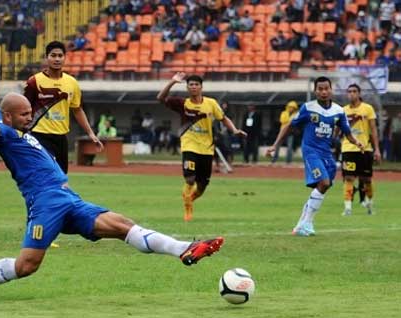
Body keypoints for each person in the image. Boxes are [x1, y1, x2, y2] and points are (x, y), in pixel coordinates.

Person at [0, 83, 225, 298]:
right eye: (25, 114)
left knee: (121, 224)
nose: (31, 117)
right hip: (45, 204)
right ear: (7, 116)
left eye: (31, 112)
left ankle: (185, 249)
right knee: (26, 266)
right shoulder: (3, 134)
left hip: (68, 199)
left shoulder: (10, 121)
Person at [266, 77, 363, 237]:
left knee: (324, 187)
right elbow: (289, 125)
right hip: (311, 151)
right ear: (315, 91)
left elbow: (347, 132)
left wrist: (356, 142)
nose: (323, 92)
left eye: (326, 88)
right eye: (320, 89)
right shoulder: (308, 108)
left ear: (331, 90)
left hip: (326, 153)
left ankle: (301, 224)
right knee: (323, 183)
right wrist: (275, 145)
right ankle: (307, 223)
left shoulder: (338, 111)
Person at [157, 72, 246, 221]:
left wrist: (235, 130)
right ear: (187, 88)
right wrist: (172, 82)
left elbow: (223, 119)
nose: (193, 87)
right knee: (190, 179)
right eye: (190, 84)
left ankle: (190, 198)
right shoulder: (183, 104)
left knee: (202, 185)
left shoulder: (210, 103)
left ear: (201, 87)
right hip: (189, 146)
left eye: (196, 84)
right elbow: (160, 98)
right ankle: (187, 209)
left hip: (207, 148)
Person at [23, 41, 102, 174]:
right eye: (53, 55)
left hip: (61, 138)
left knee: (61, 178)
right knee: (44, 174)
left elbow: (77, 109)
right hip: (38, 135)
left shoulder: (72, 83)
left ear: (65, 58)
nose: (57, 59)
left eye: (60, 56)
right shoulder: (34, 82)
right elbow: (23, 108)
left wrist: (90, 133)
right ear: (46, 57)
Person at [341, 84, 381, 216]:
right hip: (348, 149)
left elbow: (373, 130)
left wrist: (377, 150)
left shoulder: (367, 109)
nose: (351, 94)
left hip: (365, 149)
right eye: (349, 91)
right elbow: (337, 129)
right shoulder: (343, 110)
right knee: (349, 178)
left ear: (359, 93)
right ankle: (347, 208)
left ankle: (369, 204)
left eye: (354, 91)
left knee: (366, 179)